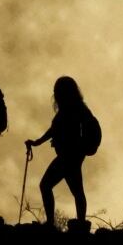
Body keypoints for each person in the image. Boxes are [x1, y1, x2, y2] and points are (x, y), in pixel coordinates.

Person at [25, 76, 93, 228]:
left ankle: (52, 223)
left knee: (46, 185)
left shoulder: (77, 109)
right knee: (76, 190)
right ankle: (80, 224)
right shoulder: (70, 109)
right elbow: (53, 131)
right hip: (70, 156)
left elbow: (90, 126)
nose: (55, 94)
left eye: (57, 91)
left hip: (69, 156)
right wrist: (36, 142)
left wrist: (81, 146)